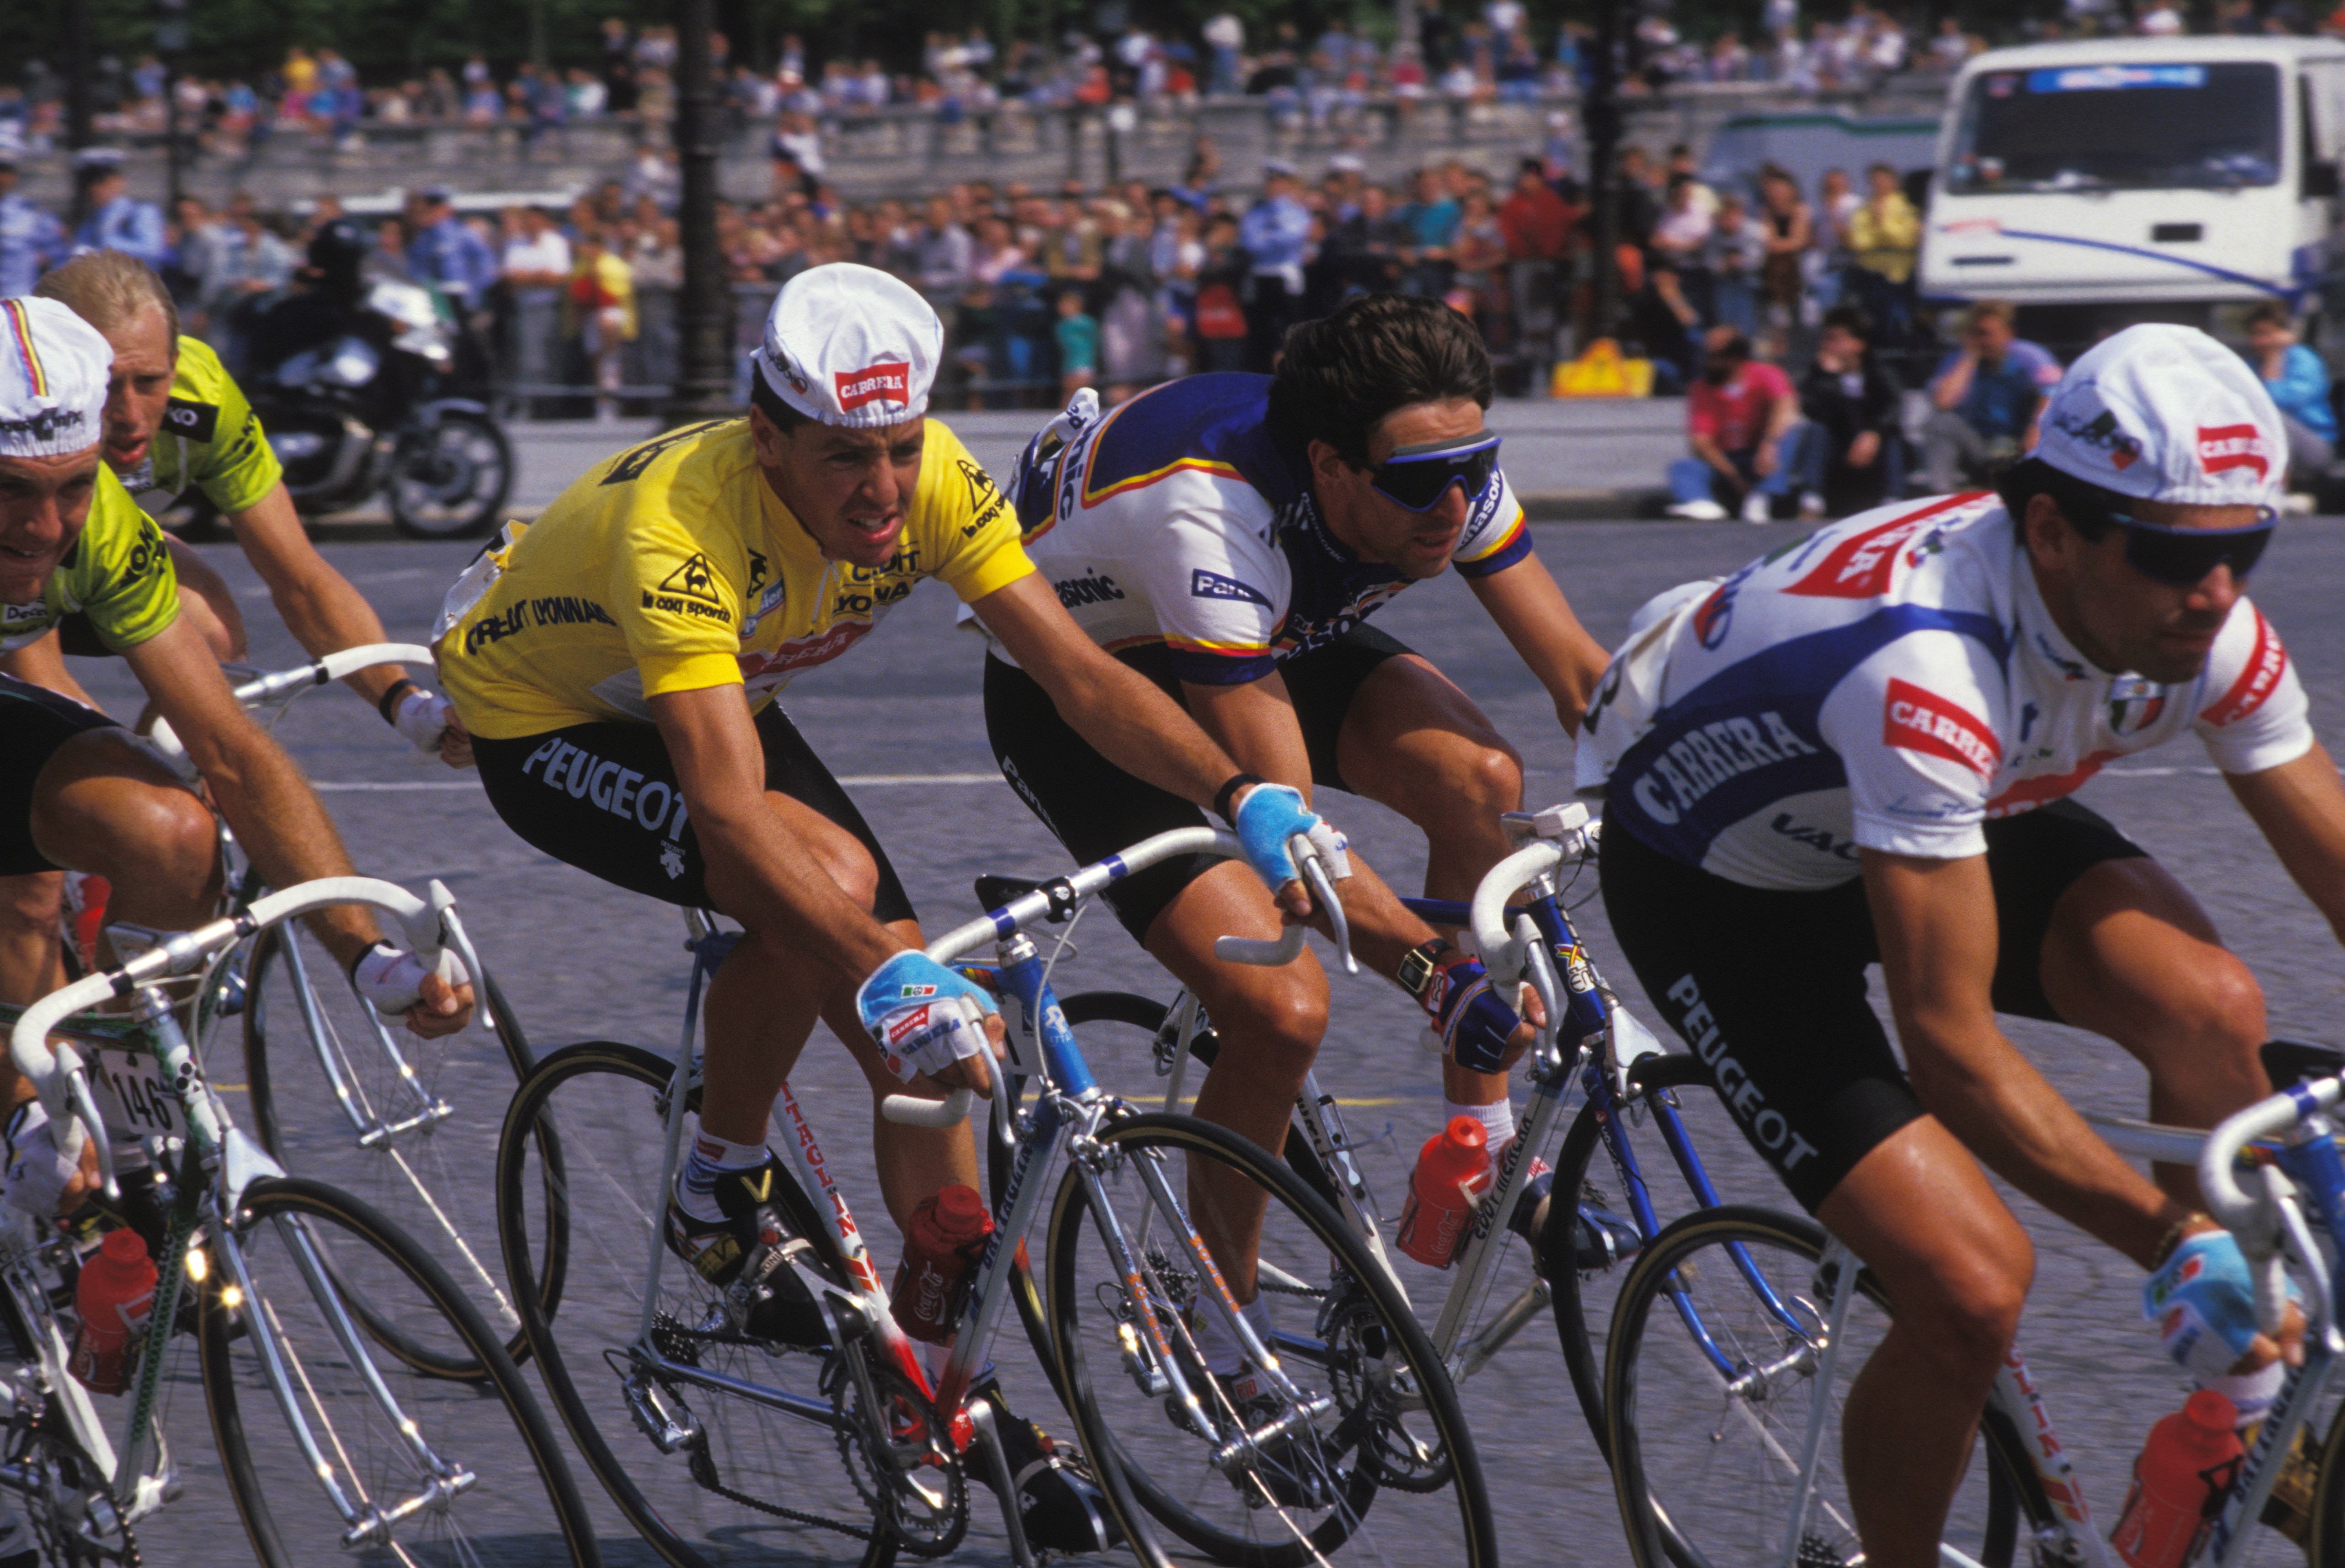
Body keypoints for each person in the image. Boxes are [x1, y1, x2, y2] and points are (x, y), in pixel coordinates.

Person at [431, 262, 1348, 1550]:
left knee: (931, 1058)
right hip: (550, 719)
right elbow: (730, 814)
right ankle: (718, 1181)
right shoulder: (683, 526)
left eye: (900, 449)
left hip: (711, 693)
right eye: (844, 457)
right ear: (768, 441)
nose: (880, 487)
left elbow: (1079, 677)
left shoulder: (931, 484)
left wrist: (1242, 791)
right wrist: (876, 965)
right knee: (839, 914)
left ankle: (928, 1367)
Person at [1581, 324, 2326, 1566]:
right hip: (1721, 883)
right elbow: (1951, 1045)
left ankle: (2236, 1413)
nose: (2214, 593)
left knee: (2209, 1002)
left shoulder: (2196, 616)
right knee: (1969, 1285)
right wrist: (2170, 1239)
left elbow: (2335, 857)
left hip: (1938, 810)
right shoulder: (1924, 661)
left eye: (2243, 552)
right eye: (2175, 557)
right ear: (2052, 532)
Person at [992, 295, 1611, 1393]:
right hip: (1089, 695)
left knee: (1480, 781)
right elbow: (1292, 837)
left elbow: (1579, 678)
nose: (1456, 502)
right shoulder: (1205, 511)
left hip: (1261, 627)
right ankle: (1210, 1316)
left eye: (1477, 465)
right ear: (1327, 465)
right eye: (1423, 483)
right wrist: (1439, 977)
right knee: (1280, 1011)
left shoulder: (1431, 460)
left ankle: (1475, 1149)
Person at [0, 292, 473, 1204]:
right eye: (11, 489)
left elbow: (232, 746)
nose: (43, 526)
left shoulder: (101, 519)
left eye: (72, 484)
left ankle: (128, 1129)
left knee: (174, 828)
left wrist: (366, 955)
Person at [1665, 325, 1801, 523]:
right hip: (1726, 461)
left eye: (1713, 356)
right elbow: (1701, 443)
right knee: (1684, 467)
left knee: (1796, 429)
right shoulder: (1700, 388)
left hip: (1761, 454)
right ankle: (1701, 502)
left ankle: (1763, 496)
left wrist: (1769, 443)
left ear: (1735, 358)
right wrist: (1733, 476)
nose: (1707, 362)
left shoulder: (1767, 374)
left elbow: (1787, 408)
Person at [1922, 300, 2062, 493]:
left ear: (2008, 333)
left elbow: (2052, 395)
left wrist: (2034, 433)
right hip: (1978, 442)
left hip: (2018, 443)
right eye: (1977, 334)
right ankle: (1941, 494)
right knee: (1941, 423)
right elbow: (1943, 402)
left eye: (1987, 334)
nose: (1983, 341)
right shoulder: (1960, 359)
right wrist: (1969, 357)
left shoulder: (2032, 356)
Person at [1794, 304, 1903, 518]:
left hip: (1873, 445)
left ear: (1858, 344)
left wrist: (1873, 432)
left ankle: (1892, 502)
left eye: (1836, 339)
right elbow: (1813, 409)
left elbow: (1893, 405)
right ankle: (1812, 499)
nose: (1828, 345)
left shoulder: (1878, 371)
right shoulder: (1818, 376)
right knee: (1817, 431)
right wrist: (1830, 378)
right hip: (1838, 443)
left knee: (1892, 439)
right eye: (1826, 339)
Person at [2243, 303, 2333, 512]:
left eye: (2267, 334)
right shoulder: (2252, 364)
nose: (2261, 341)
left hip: (2316, 446)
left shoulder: (2305, 360)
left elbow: (2275, 402)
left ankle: (2277, 492)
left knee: (2275, 417)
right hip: (2270, 443)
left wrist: (2275, 360)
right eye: (2256, 335)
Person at [1239, 159, 1311, 372]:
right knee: (1261, 334)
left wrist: (1267, 238)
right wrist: (1273, 239)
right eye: (1270, 182)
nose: (1273, 186)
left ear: (1287, 184)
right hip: (1260, 275)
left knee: (1288, 333)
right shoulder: (1256, 212)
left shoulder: (1296, 212)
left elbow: (1292, 238)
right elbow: (1249, 242)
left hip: (1285, 276)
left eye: (1278, 182)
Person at [69, 155, 168, 270]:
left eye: (102, 182)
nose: (94, 189)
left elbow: (152, 251)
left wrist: (107, 244)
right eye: (87, 183)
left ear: (119, 182)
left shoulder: (139, 212)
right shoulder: (92, 218)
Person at [0, 155, 64, 299]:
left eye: (6, 172)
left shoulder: (30, 211)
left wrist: (41, 257)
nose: (2, 178)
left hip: (18, 298)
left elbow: (57, 248)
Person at [1055, 284, 1098, 398]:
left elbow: (1095, 340)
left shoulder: (1086, 323)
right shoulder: (1061, 325)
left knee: (1082, 393)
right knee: (1068, 392)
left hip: (1084, 364)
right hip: (1069, 364)